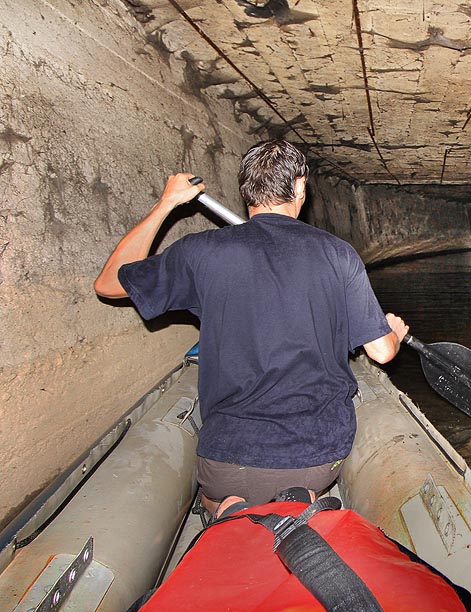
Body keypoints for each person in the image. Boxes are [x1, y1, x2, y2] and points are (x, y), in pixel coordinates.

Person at [94, 139, 408, 518]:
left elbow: (108, 284)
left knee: (214, 496)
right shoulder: (338, 253)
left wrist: (166, 203)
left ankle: (225, 509)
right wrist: (393, 333)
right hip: (316, 456)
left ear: (246, 192)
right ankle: (301, 505)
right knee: (300, 481)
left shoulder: (201, 251)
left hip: (229, 456)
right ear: (300, 187)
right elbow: (381, 352)